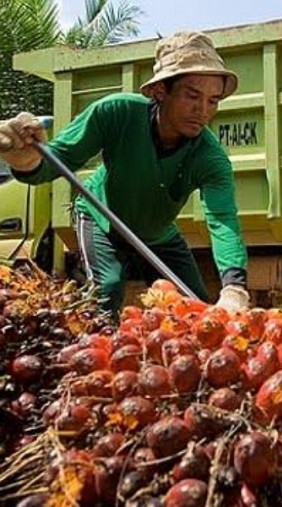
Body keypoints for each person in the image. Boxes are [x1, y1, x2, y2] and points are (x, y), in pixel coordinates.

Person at [0, 30, 250, 316]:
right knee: (107, 289)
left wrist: (234, 288)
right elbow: (56, 161)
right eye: (192, 95)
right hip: (101, 217)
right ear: (160, 91)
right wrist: (24, 161)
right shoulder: (115, 113)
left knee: (196, 310)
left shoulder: (210, 157)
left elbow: (222, 220)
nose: (203, 111)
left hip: (159, 234)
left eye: (213, 101)